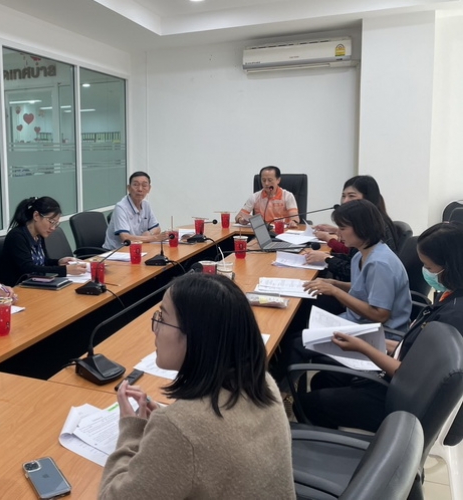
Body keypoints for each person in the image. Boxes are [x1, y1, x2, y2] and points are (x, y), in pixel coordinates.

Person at [100, 273, 294, 499]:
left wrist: (132, 429)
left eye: (162, 317)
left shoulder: (181, 426)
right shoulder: (263, 381)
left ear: (196, 335)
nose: (155, 328)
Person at [298, 222, 463, 432]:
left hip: (400, 398)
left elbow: (410, 374)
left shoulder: (453, 317)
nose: (426, 272)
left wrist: (364, 347)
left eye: (429, 268)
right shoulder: (450, 295)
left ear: (451, 266)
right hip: (396, 370)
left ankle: (341, 448)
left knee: (307, 403)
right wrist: (371, 340)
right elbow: (415, 347)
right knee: (324, 379)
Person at [303, 200, 411, 331]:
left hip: (380, 333)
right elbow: (363, 290)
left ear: (362, 228)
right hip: (357, 322)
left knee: (298, 339)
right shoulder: (360, 255)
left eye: (342, 229)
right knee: (302, 324)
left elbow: (380, 315)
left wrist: (334, 291)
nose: (338, 233)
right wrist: (333, 283)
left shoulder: (379, 264)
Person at [304, 175, 399, 279]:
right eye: (343, 196)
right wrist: (327, 256)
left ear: (367, 198)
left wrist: (327, 258)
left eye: (351, 196)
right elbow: (353, 259)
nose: (345, 201)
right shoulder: (373, 220)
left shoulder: (374, 227)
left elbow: (353, 271)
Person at [0, 197, 86, 286]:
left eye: (56, 224)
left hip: (38, 284)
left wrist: (58, 262)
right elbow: (28, 268)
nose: (53, 228)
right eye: (51, 222)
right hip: (19, 288)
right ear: (36, 216)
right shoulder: (17, 236)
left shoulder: (38, 235)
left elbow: (42, 262)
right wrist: (65, 270)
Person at [103, 171, 167, 250]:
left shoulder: (146, 204)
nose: (140, 189)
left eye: (144, 185)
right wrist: (155, 238)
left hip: (138, 248)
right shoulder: (121, 207)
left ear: (149, 189)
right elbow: (125, 238)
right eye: (135, 185)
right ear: (129, 188)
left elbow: (157, 228)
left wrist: (150, 233)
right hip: (116, 252)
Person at [235, 166, 299, 227]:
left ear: (278, 180)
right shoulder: (255, 197)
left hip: (282, 231)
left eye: (270, 180)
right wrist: (241, 220)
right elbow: (238, 216)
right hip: (262, 231)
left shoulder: (287, 196)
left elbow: (295, 218)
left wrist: (293, 222)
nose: (266, 183)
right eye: (263, 180)